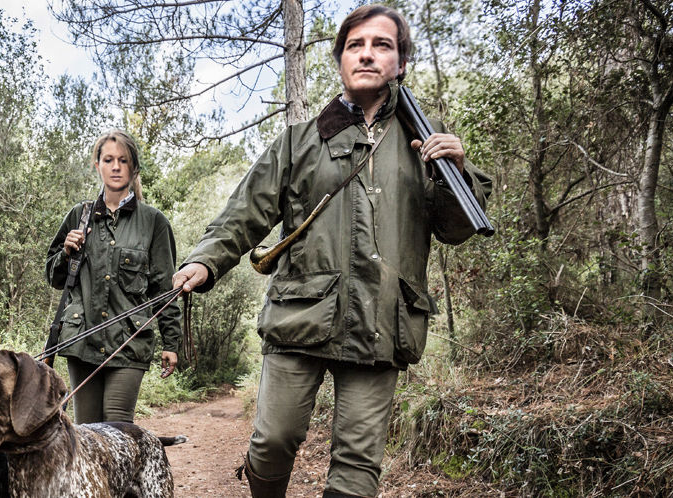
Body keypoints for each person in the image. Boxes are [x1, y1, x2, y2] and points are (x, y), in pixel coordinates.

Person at [169, 5, 493, 498]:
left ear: (400, 62)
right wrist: (204, 260)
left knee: (358, 465)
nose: (367, 54)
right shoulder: (300, 142)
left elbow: (456, 229)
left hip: (383, 321)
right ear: (340, 59)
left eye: (382, 45)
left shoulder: (426, 143)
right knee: (272, 441)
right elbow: (244, 213)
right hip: (302, 315)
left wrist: (456, 173)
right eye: (355, 45)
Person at [42, 130, 181, 425]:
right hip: (82, 341)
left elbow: (164, 289)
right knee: (88, 434)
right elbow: (54, 278)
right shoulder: (78, 216)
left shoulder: (153, 222)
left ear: (134, 168)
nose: (116, 166)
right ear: (98, 165)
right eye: (108, 159)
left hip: (129, 343)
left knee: (118, 430)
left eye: (123, 160)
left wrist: (171, 342)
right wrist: (66, 253)